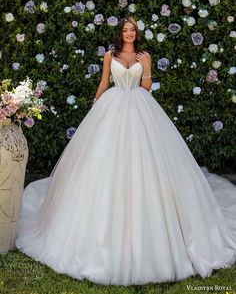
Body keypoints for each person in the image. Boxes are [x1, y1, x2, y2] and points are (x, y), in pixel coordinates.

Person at [16, 17, 236, 286]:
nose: (130, 33)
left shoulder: (145, 55)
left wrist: (147, 69)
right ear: (120, 33)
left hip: (142, 109)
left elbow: (146, 87)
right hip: (113, 107)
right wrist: (95, 108)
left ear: (136, 33)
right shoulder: (111, 55)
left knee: (148, 164)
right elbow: (104, 82)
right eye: (125, 30)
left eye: (133, 30)